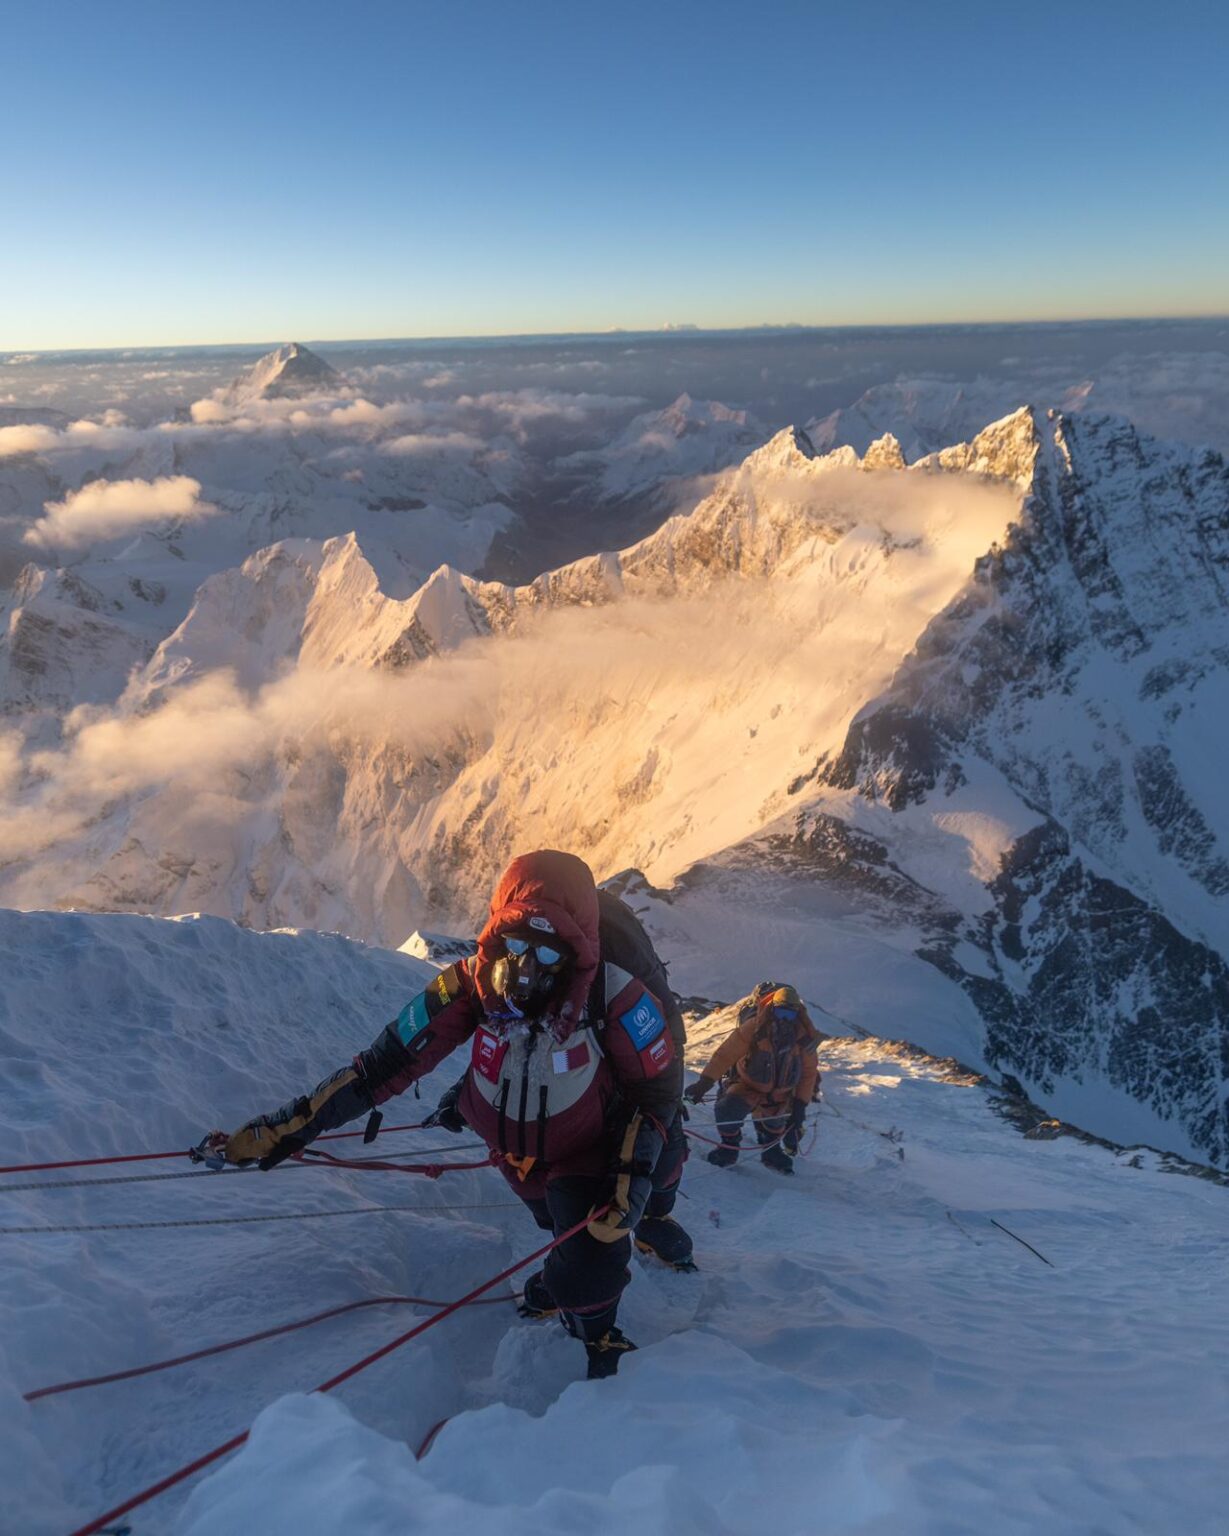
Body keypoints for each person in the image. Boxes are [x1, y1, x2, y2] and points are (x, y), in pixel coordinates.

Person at [199, 850, 686, 1379]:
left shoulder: (614, 997)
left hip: (585, 1151)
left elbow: (658, 1092)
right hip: (511, 1150)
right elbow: (381, 1067)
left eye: (546, 955)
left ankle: (596, 1333)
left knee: (590, 1256)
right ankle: (566, 1270)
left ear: (576, 952)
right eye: (516, 945)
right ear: (499, 935)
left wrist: (630, 1172)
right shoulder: (470, 983)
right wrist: (285, 1128)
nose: (524, 968)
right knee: (557, 1227)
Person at [683, 983, 821, 1175]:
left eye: (790, 1015)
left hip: (780, 1094)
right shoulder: (755, 1028)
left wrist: (800, 1106)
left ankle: (771, 1150)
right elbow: (725, 1055)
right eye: (781, 1012)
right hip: (747, 1086)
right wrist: (703, 1084)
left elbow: (808, 1073)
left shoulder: (804, 1039)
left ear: (797, 1014)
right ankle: (729, 1147)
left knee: (776, 1125)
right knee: (727, 1110)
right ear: (773, 1008)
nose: (785, 1019)